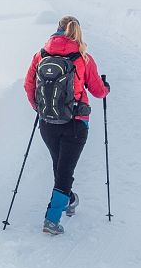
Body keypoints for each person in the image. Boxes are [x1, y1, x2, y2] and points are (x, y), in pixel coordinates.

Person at [24, 15, 110, 235]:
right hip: (75, 123)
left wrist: (39, 108)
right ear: (77, 32)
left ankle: (69, 199)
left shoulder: (40, 55)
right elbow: (99, 91)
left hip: (47, 123)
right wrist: (106, 87)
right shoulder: (83, 58)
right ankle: (51, 220)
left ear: (57, 30)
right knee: (64, 171)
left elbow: (29, 85)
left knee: (60, 166)